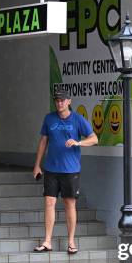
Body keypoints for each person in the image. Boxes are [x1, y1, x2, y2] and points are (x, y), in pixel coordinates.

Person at [32, 87, 98, 254]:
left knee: (69, 204)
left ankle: (71, 242)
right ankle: (47, 241)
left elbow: (94, 139)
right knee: (49, 203)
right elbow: (43, 142)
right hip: (51, 169)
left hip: (70, 170)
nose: (59, 103)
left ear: (69, 101)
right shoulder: (49, 119)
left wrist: (78, 143)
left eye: (62, 100)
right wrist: (37, 165)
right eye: (57, 100)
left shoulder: (77, 120)